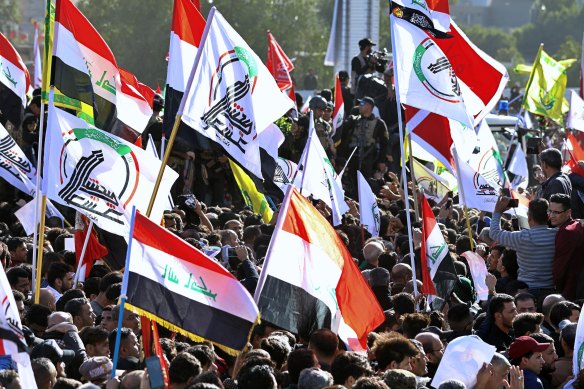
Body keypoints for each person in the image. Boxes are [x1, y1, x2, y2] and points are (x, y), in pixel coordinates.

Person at [489, 197, 557, 304]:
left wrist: (498, 212)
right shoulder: (557, 234)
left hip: (525, 291)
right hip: (551, 292)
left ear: (529, 217)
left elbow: (494, 233)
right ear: (548, 216)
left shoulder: (521, 237)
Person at [337, 96, 389, 197]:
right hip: (353, 157)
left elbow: (384, 144)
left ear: (369, 106)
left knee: (367, 183)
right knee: (352, 183)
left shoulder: (379, 123)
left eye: (362, 104)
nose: (359, 107)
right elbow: (343, 138)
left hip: (369, 159)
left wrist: (381, 161)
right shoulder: (353, 120)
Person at [548, 193, 584, 300]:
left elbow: (560, 268)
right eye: (550, 211)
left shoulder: (567, 231)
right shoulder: (577, 225)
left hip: (571, 292)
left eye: (557, 212)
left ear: (568, 212)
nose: (552, 215)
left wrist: (557, 289)